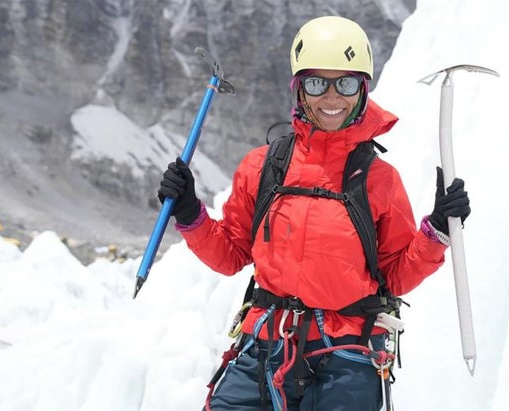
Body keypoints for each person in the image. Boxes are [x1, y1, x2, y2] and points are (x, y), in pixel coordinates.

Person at [158, 15, 471, 411]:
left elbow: (395, 274)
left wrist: (437, 231)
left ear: (362, 89)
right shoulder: (262, 166)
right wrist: (190, 213)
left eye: (345, 83)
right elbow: (231, 254)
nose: (331, 97)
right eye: (316, 83)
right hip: (264, 347)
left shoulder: (378, 180)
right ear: (299, 88)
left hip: (347, 354)